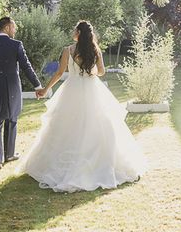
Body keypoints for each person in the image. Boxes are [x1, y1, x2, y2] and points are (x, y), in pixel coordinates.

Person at [18, 20, 147, 192]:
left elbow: (59, 73)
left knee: (67, 125)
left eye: (74, 30)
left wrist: (45, 89)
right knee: (98, 124)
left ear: (78, 32)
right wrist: (91, 70)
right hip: (92, 88)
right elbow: (101, 72)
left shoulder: (68, 50)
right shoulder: (95, 50)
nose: (73, 31)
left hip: (71, 90)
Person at [0, 17, 44, 170]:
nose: (15, 30)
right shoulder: (16, 45)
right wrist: (37, 85)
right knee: (12, 120)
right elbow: (27, 67)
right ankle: (9, 154)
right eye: (13, 27)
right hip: (12, 90)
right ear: (6, 27)